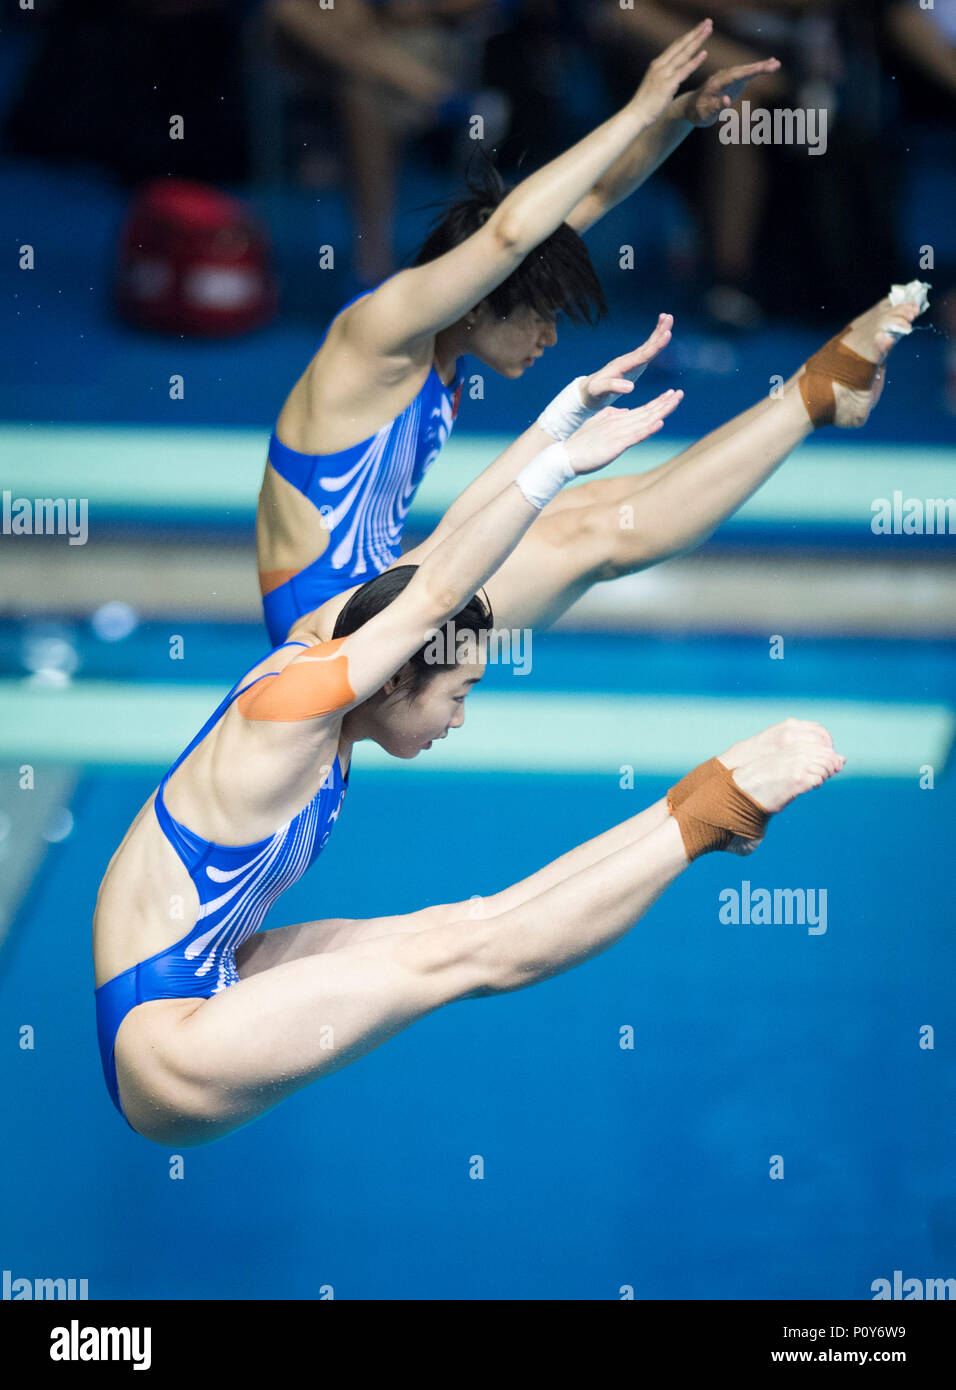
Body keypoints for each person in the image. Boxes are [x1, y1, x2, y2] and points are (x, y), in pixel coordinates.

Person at [94, 384, 844, 1145]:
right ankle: (719, 810)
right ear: (395, 679)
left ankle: (692, 802)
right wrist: (559, 469)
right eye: (458, 693)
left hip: (212, 972)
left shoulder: (328, 638)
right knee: (460, 956)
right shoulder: (291, 710)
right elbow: (434, 595)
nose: (459, 719)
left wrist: (561, 418)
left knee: (471, 919)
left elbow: (446, 546)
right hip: (171, 1047)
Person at [256, 17, 782, 643]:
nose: (550, 338)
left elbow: (595, 195)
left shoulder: (449, 337)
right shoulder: (381, 332)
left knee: (586, 504)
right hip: (326, 634)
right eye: (542, 315)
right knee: (591, 535)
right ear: (479, 300)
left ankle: (806, 403)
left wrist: (677, 118)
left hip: (372, 599)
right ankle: (809, 400)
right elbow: (510, 234)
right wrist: (636, 112)